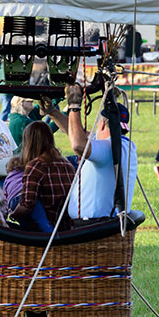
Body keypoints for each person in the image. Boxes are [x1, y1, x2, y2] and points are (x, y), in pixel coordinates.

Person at [42, 85, 138, 224]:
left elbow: (78, 144)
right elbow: (76, 133)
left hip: (93, 226)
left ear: (102, 125)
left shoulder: (108, 148)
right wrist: (52, 112)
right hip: (97, 223)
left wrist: (74, 105)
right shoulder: (121, 145)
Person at [6, 122, 75, 232]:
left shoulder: (36, 166)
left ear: (28, 142)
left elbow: (27, 205)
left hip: (42, 234)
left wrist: (12, 215)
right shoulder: (68, 165)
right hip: (66, 228)